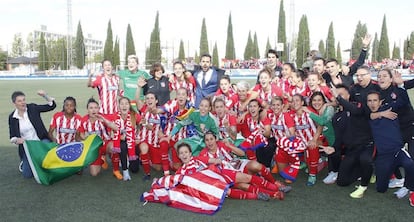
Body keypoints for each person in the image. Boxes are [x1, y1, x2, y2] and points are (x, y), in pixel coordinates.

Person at [198, 132, 286, 199]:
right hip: (229, 176)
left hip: (238, 165)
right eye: (207, 140)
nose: (210, 142)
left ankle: (275, 183)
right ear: (205, 142)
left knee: (256, 165)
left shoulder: (222, 145)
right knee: (243, 185)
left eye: (211, 139)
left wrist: (230, 146)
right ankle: (273, 193)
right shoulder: (203, 154)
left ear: (215, 139)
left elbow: (242, 153)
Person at [176, 143, 273, 201]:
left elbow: (214, 161)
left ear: (190, 153)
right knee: (231, 190)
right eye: (181, 153)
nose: (184, 155)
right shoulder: (180, 172)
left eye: (185, 152)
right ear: (179, 156)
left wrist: (219, 162)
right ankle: (258, 196)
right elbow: (179, 186)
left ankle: (275, 188)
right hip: (210, 186)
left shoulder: (198, 159)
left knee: (247, 178)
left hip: (220, 174)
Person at [366, 91, 414, 207]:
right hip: (383, 156)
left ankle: (408, 187)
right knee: (381, 189)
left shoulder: (389, 108)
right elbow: (368, 115)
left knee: (410, 164)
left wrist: (400, 86)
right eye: (369, 101)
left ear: (380, 102)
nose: (372, 103)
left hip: (397, 151)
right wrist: (381, 114)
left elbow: (404, 101)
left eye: (375, 100)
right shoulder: (367, 114)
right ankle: (393, 175)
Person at [331, 84, 375, 198]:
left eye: (341, 95)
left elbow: (355, 111)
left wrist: (339, 98)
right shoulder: (337, 116)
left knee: (365, 159)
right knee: (342, 182)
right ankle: (363, 171)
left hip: (366, 146)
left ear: (348, 95)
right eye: (336, 95)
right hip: (352, 150)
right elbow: (339, 137)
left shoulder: (358, 105)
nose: (337, 97)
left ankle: (364, 184)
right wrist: (334, 148)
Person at [9, 90, 56, 178]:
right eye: (19, 101)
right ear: (14, 103)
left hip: (41, 141)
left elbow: (51, 106)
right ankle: (25, 162)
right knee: (27, 175)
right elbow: (12, 137)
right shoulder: (12, 117)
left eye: (23, 100)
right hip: (28, 147)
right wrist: (17, 140)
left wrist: (45, 95)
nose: (23, 103)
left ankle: (41, 161)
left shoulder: (32, 108)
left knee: (47, 166)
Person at [76, 98, 119, 177]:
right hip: (94, 148)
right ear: (87, 110)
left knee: (113, 147)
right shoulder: (84, 120)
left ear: (99, 109)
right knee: (94, 173)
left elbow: (116, 128)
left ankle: (116, 169)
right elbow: (81, 135)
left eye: (96, 108)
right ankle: (102, 160)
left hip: (105, 144)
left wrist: (105, 121)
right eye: (91, 108)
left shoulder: (102, 117)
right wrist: (86, 143)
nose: (93, 110)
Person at [112, 97, 142, 181]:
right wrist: (119, 136)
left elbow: (142, 124)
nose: (124, 106)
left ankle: (131, 158)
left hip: (132, 142)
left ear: (129, 105)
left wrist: (137, 135)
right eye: (122, 104)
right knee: (123, 147)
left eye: (126, 103)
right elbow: (110, 130)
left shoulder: (134, 115)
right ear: (118, 106)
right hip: (120, 142)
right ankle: (125, 170)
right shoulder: (115, 116)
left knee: (135, 170)